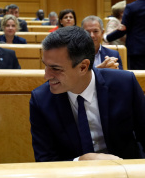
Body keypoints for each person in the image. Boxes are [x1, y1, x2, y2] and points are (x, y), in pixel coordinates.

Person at [30, 26, 145, 162]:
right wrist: (80, 161)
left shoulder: (125, 83)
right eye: (46, 65)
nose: (46, 76)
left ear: (83, 67)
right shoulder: (40, 99)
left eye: (55, 68)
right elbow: (45, 160)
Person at [104, 0, 145, 69]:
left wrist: (107, 37)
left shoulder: (131, 7)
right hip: (137, 50)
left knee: (139, 78)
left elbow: (123, 29)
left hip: (136, 50)